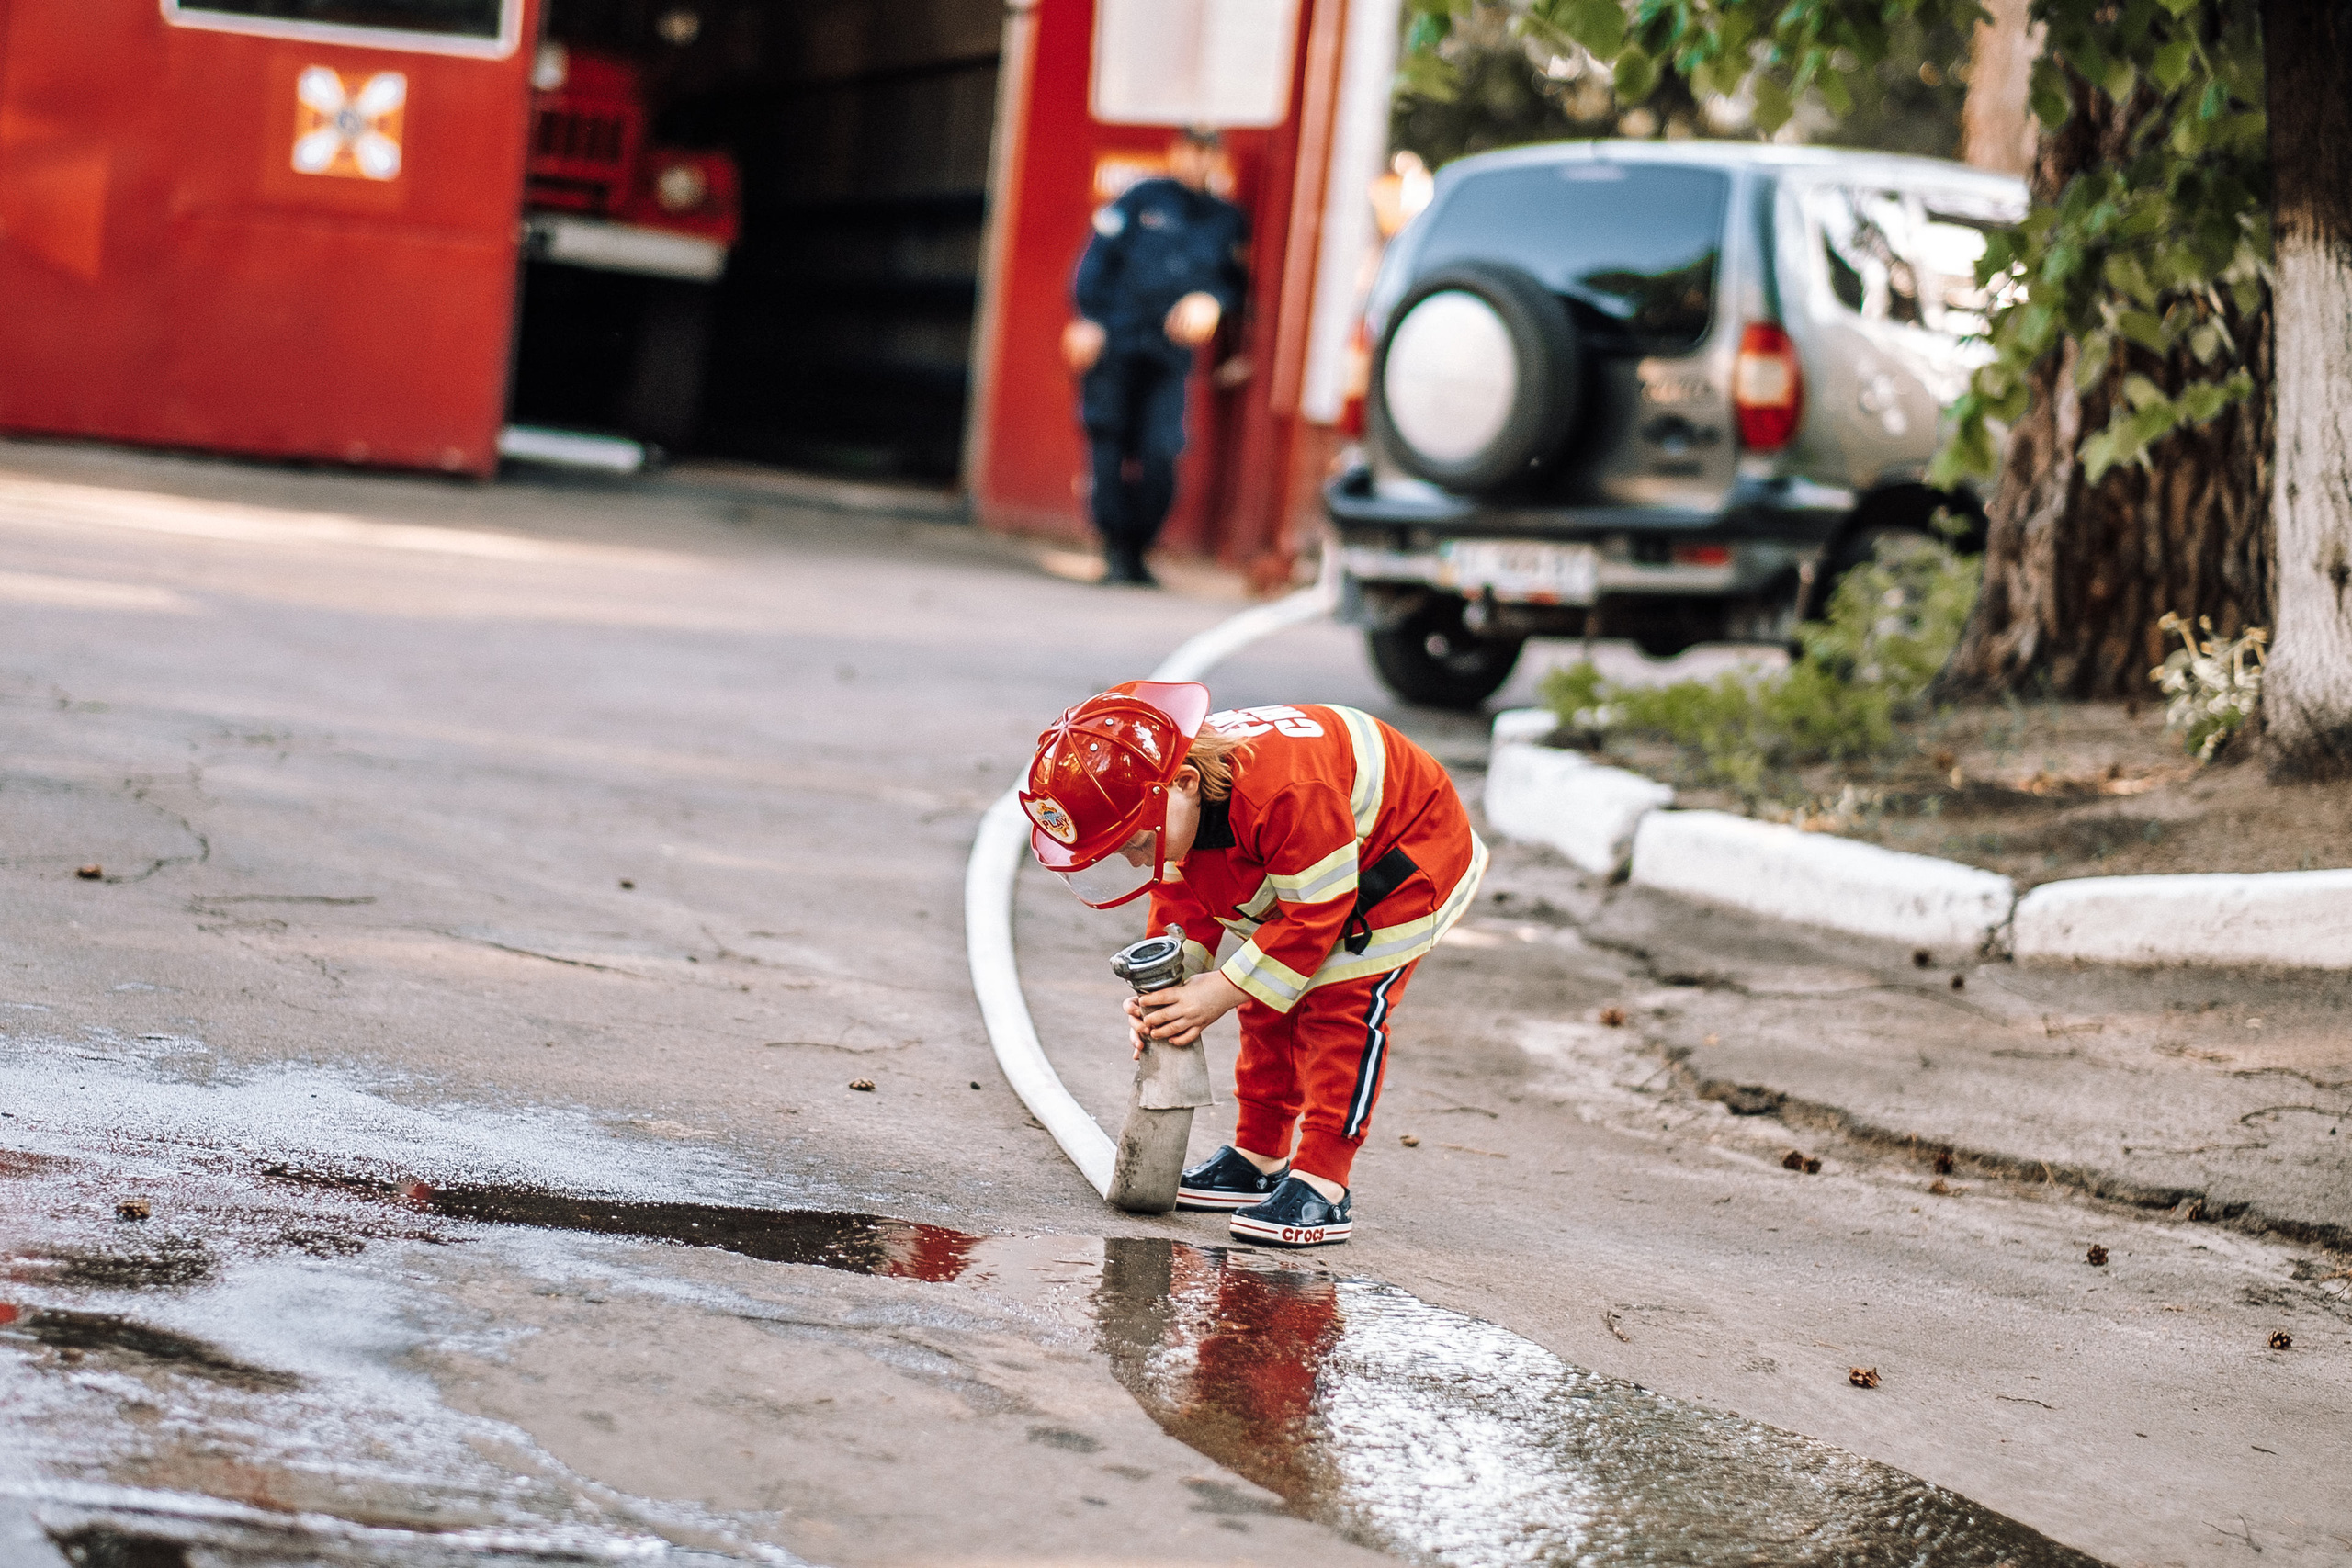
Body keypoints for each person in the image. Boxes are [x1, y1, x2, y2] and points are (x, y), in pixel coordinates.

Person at [1020, 681, 1487, 1247]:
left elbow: (1315, 914)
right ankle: (1258, 1157)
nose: (1136, 858)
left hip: (1403, 861)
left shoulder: (1286, 793)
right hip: (1314, 863)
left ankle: (1324, 1181)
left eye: (1136, 844)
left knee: (1338, 1009)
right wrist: (1174, 989)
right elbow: (1184, 895)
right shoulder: (1177, 797)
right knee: (1265, 1005)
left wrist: (1222, 989)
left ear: (1185, 784)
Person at [1063, 129, 1250, 587]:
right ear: (1176, 152)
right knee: (1107, 443)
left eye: (1207, 152)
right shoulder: (1140, 200)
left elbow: (1238, 285)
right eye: (1190, 150)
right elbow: (1095, 262)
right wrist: (1086, 318)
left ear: (1217, 160)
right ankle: (1115, 552)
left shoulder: (1226, 220)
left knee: (1161, 450)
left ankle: (1139, 548)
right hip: (1115, 341)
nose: (1197, 161)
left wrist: (1212, 301)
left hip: (1170, 354)